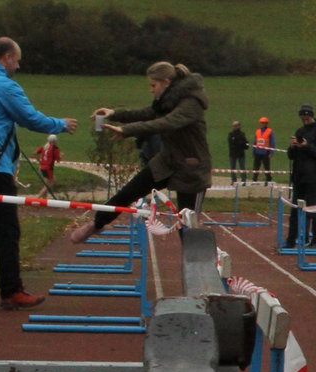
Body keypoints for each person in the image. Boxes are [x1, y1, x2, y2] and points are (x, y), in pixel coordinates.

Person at [0, 35, 77, 310]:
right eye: (17, 60)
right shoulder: (4, 85)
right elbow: (29, 117)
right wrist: (60, 124)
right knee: (6, 230)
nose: (19, 66)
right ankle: (11, 291)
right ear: (7, 57)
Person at [68, 61, 212, 239]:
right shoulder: (166, 101)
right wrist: (114, 113)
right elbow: (146, 113)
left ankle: (194, 256)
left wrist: (126, 130)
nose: (151, 90)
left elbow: (166, 122)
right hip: (166, 161)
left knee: (187, 223)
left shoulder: (191, 103)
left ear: (166, 82)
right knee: (127, 193)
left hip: (191, 167)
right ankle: (97, 224)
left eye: (153, 85)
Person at [286, 103, 316, 248]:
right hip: (299, 176)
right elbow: (291, 156)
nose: (305, 120)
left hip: (314, 177)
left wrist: (308, 147)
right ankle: (291, 240)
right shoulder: (300, 131)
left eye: (307, 118)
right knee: (295, 210)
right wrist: (293, 147)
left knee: (315, 209)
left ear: (312, 116)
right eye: (303, 118)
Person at [252, 117, 275, 182]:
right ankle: (254, 179)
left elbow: (272, 142)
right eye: (261, 123)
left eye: (263, 123)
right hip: (257, 152)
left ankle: (268, 179)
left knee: (267, 167)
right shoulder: (258, 131)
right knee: (256, 167)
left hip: (266, 152)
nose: (262, 124)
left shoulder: (269, 131)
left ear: (266, 123)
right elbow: (255, 142)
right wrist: (253, 151)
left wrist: (271, 152)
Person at [228, 120, 249, 185]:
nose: (235, 127)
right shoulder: (230, 134)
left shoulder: (242, 134)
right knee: (232, 167)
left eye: (236, 125)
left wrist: (239, 142)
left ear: (239, 126)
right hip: (233, 153)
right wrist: (240, 142)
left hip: (241, 153)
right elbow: (231, 142)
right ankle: (233, 180)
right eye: (234, 126)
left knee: (242, 167)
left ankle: (243, 180)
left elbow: (245, 143)